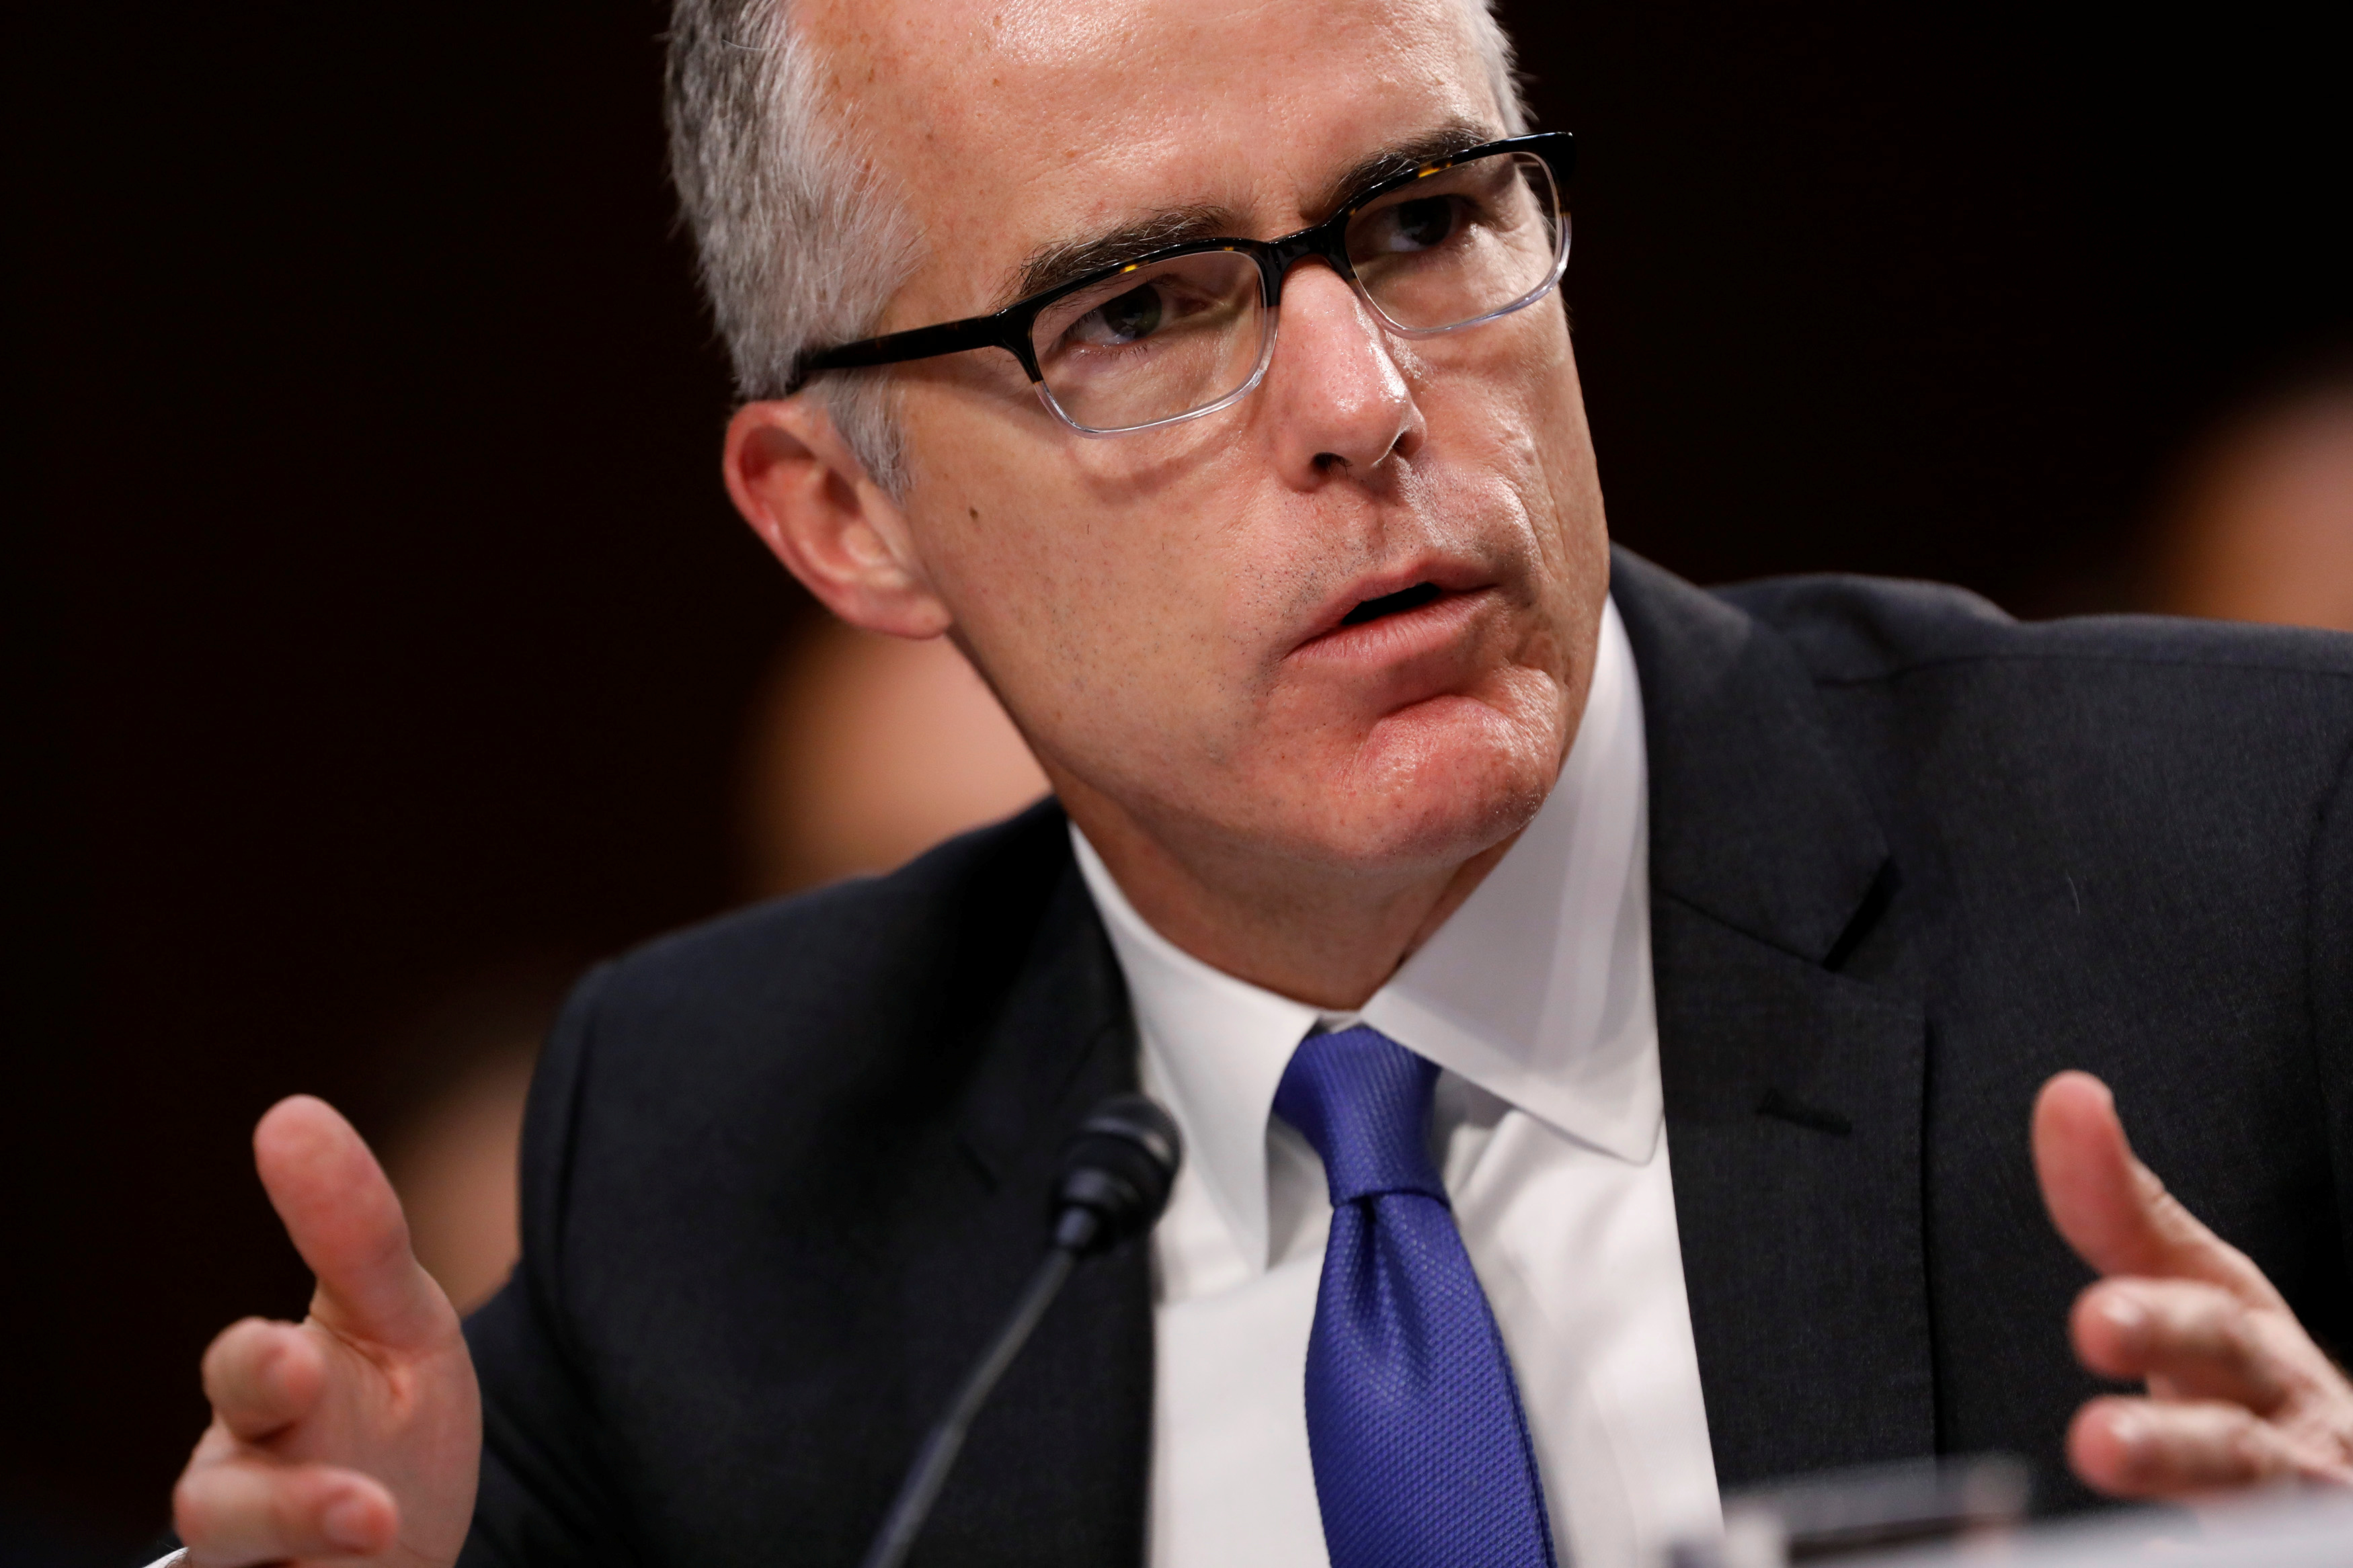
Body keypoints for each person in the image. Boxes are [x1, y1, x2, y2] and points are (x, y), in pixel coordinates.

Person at [165, 0, 2353, 1564]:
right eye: (1136, 310)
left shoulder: (2256, 865)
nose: (1361, 391)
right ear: (845, 515)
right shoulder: (726, 1167)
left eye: (1420, 216)